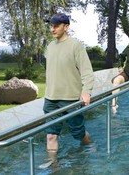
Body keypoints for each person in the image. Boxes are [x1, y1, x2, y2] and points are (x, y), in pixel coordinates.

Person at [39, 13, 94, 169]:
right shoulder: (49, 46)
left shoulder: (75, 45)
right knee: (51, 135)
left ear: (66, 26)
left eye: (56, 26)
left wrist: (86, 91)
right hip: (50, 99)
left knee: (79, 133)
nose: (52, 29)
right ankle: (54, 165)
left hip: (70, 99)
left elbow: (87, 71)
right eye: (51, 26)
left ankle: (90, 146)